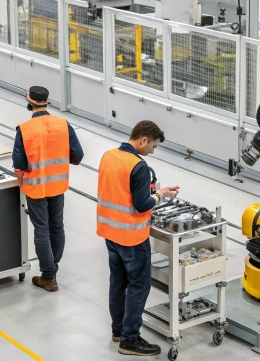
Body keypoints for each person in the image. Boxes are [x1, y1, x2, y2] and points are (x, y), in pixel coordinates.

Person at [97, 120, 180, 356]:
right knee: (138, 287)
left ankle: (118, 330)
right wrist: (160, 197)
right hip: (132, 237)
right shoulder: (139, 166)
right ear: (143, 140)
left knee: (118, 284)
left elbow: (119, 192)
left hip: (109, 233)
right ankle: (130, 339)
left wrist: (157, 191)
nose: (153, 151)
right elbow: (142, 204)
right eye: (153, 146)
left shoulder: (108, 156)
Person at [13, 86, 84, 292]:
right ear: (47, 102)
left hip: (36, 188)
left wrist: (22, 184)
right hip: (58, 185)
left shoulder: (25, 130)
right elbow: (78, 156)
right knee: (57, 226)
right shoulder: (63, 124)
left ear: (29, 102)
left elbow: (19, 164)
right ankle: (53, 268)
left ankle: (48, 276)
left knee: (41, 230)